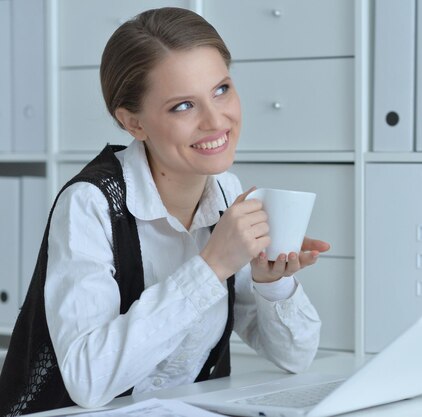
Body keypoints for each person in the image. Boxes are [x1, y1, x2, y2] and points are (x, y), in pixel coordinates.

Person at [0, 7, 329, 416]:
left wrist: (269, 283)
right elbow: (87, 380)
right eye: (183, 106)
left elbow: (295, 357)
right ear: (133, 122)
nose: (216, 120)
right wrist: (210, 268)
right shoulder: (91, 203)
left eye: (221, 89)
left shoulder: (225, 189)